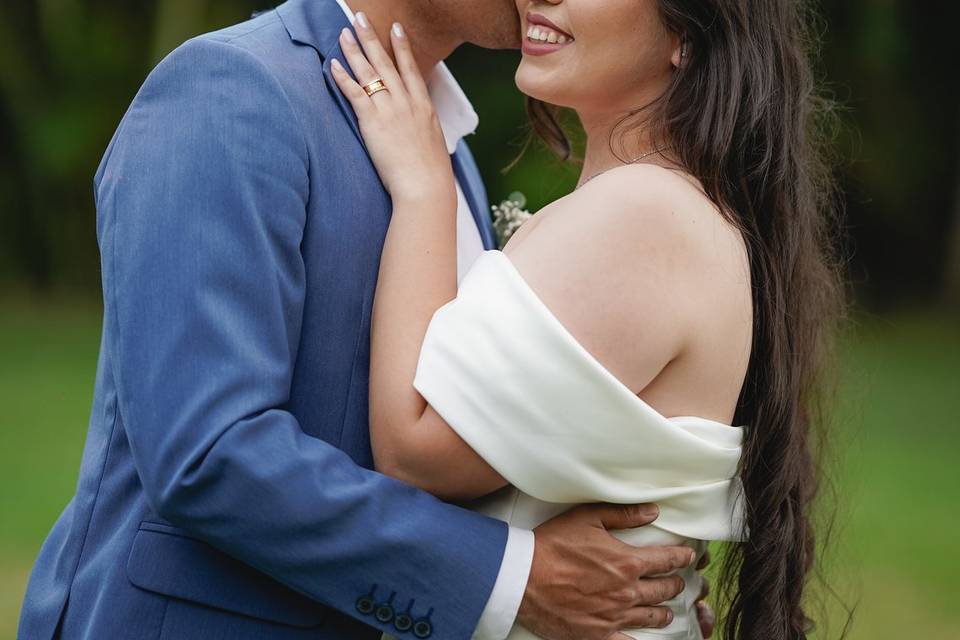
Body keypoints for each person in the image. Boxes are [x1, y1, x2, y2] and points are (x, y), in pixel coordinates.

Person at [17, 1, 717, 639]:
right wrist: (511, 579)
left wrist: (640, 585)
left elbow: (464, 442)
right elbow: (208, 450)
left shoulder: (445, 154)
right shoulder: (230, 90)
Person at [330, 0, 847, 638]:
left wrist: (422, 186)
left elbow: (416, 454)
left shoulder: (642, 216)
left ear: (684, 37)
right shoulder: (668, 206)